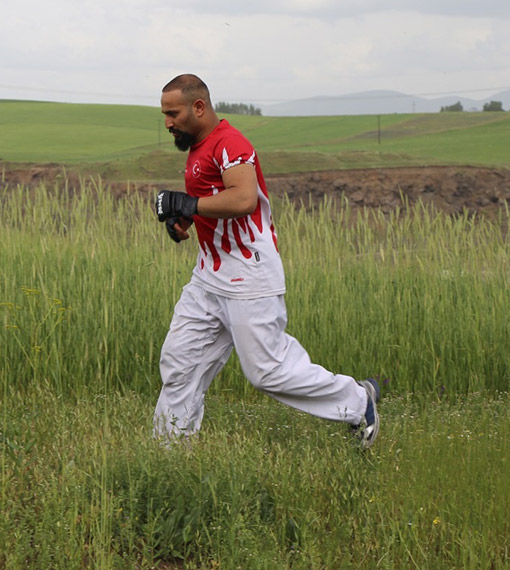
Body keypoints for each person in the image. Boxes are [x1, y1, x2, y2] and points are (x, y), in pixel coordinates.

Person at [151, 74, 380, 448]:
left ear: (199, 107)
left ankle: (357, 402)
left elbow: (243, 199)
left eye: (173, 113)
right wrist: (185, 219)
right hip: (209, 275)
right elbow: (214, 197)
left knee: (267, 371)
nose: (167, 123)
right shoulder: (197, 148)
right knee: (180, 362)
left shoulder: (230, 143)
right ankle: (167, 455)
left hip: (248, 274)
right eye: (163, 114)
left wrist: (186, 203)